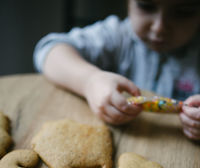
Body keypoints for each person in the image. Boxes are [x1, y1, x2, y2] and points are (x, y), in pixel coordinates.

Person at [33, 0, 200, 140]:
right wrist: (90, 81)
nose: (159, 27)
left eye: (183, 12)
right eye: (146, 6)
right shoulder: (116, 36)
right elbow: (49, 50)